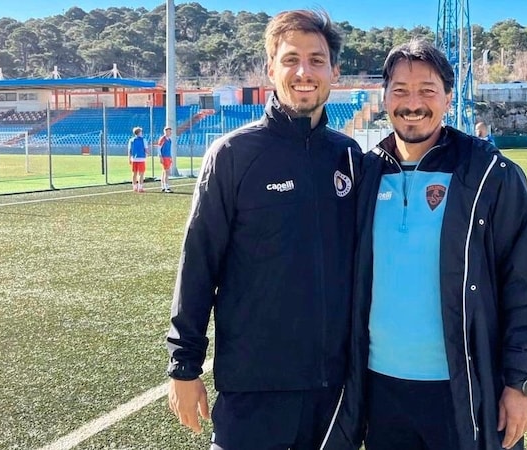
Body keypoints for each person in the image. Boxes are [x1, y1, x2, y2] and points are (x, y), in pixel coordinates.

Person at [331, 39, 527, 450]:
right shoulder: (364, 174)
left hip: (461, 390)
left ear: (448, 97)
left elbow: (526, 286)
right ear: (384, 97)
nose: (413, 103)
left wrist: (521, 383)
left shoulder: (490, 173)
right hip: (381, 392)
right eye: (400, 91)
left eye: (427, 91)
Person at [166, 9, 362, 450]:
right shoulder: (234, 154)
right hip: (254, 388)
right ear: (270, 68)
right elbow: (198, 264)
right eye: (291, 59)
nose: (304, 72)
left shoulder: (348, 156)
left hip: (334, 391)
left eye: (316, 60)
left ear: (334, 70)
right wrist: (184, 365)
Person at [128, 127, 148, 192]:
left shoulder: (131, 140)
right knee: (141, 174)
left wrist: (129, 158)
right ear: (139, 132)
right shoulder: (143, 140)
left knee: (134, 173)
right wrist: (147, 154)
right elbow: (146, 149)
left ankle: (134, 187)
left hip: (134, 158)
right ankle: (140, 187)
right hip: (141, 158)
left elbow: (129, 150)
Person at [158, 126, 173, 193]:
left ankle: (163, 186)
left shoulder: (169, 140)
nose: (170, 132)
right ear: (165, 131)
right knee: (167, 172)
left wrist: (170, 157)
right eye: (169, 131)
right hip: (164, 157)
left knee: (165, 172)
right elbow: (159, 148)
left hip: (168, 157)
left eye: (170, 131)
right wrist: (160, 157)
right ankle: (166, 187)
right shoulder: (163, 139)